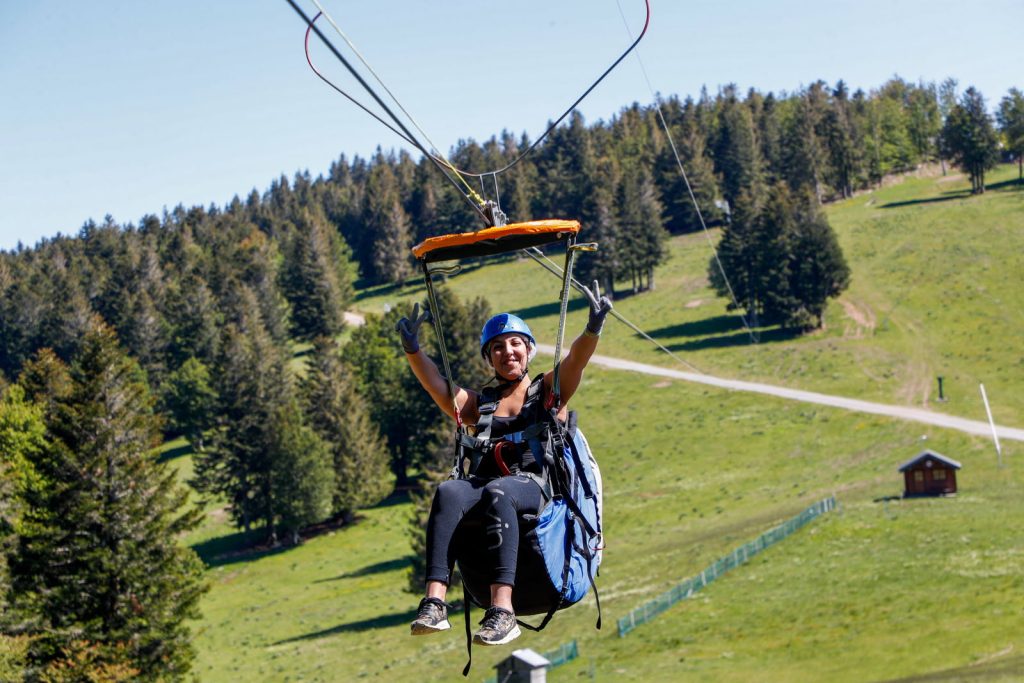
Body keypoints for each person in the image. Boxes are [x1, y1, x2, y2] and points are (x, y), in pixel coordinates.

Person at [396, 282, 612, 646]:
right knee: (449, 491)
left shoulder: (548, 392)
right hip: (490, 490)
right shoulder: (478, 406)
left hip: (536, 487)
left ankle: (502, 610)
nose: (507, 351)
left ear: (528, 350)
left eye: (515, 344)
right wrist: (412, 349)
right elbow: (437, 385)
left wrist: (593, 328)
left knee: (499, 490)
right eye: (497, 347)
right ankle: (434, 601)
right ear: (489, 358)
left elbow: (576, 360)